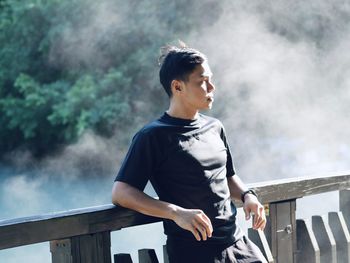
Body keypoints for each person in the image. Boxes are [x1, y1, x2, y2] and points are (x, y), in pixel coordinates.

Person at [112, 44, 267, 263]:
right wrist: (176, 213)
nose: (211, 87)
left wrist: (247, 195)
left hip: (237, 244)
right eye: (202, 81)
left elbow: (228, 175)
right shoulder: (153, 136)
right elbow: (121, 192)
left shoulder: (215, 127)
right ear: (177, 87)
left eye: (211, 79)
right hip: (194, 252)